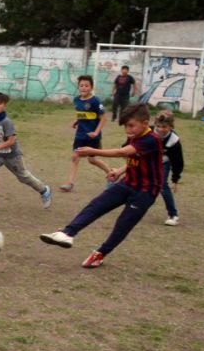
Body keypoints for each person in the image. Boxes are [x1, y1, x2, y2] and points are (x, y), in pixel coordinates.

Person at [40, 103, 163, 268]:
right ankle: (67, 233)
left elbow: (123, 152)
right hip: (128, 183)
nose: (128, 129)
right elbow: (134, 158)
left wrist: (94, 151)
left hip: (145, 191)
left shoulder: (151, 139)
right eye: (126, 126)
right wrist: (120, 171)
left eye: (131, 126)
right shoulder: (135, 136)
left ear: (145, 123)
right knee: (97, 205)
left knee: (123, 224)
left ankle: (101, 253)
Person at [0, 92, 52, 211]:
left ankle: (44, 190)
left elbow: (12, 141)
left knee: (23, 177)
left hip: (12, 155)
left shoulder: (6, 122)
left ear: (5, 106)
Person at [60, 75, 110, 192]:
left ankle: (111, 172)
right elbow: (82, 114)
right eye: (81, 85)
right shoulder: (76, 100)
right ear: (78, 87)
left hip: (92, 136)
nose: (83, 88)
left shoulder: (96, 101)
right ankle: (70, 183)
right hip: (80, 135)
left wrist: (96, 133)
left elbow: (103, 119)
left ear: (91, 87)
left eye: (86, 85)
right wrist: (76, 121)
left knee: (92, 160)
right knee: (75, 157)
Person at [154, 109, 184, 226]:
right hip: (147, 160)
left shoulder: (174, 140)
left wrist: (175, 179)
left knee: (162, 185)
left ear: (171, 126)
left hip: (164, 163)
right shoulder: (149, 131)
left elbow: (178, 162)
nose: (161, 129)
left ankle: (173, 215)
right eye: (159, 126)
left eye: (165, 127)